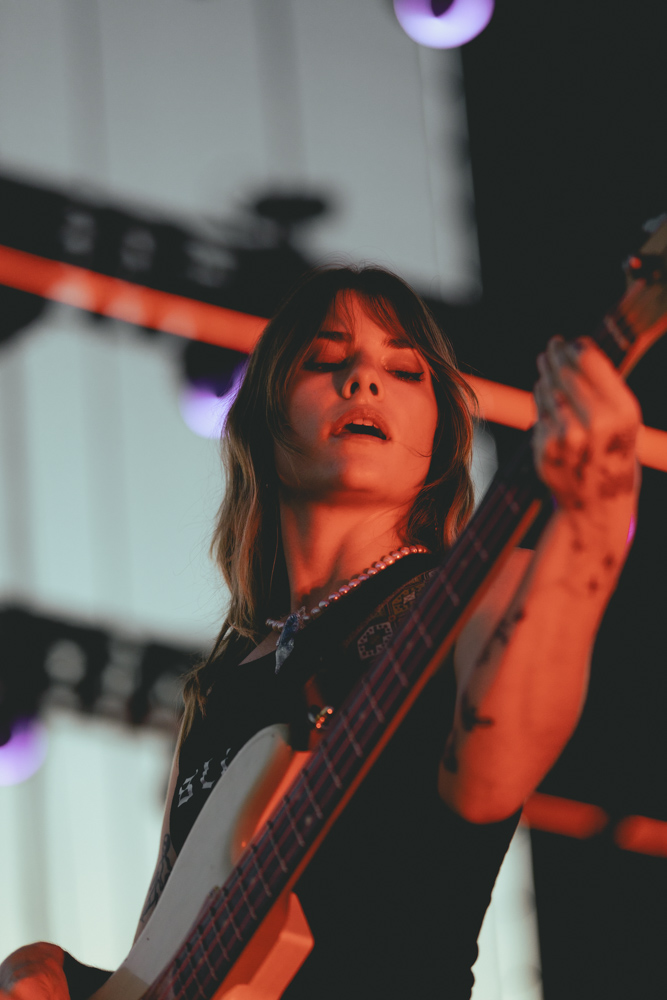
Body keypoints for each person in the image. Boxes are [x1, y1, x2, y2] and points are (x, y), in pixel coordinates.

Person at [0, 265, 641, 999]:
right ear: (264, 417)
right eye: (325, 359)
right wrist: (50, 967)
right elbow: (153, 973)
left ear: (439, 434)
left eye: (404, 371)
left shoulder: (480, 588)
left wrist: (591, 528)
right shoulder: (220, 688)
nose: (363, 379)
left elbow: (490, 778)